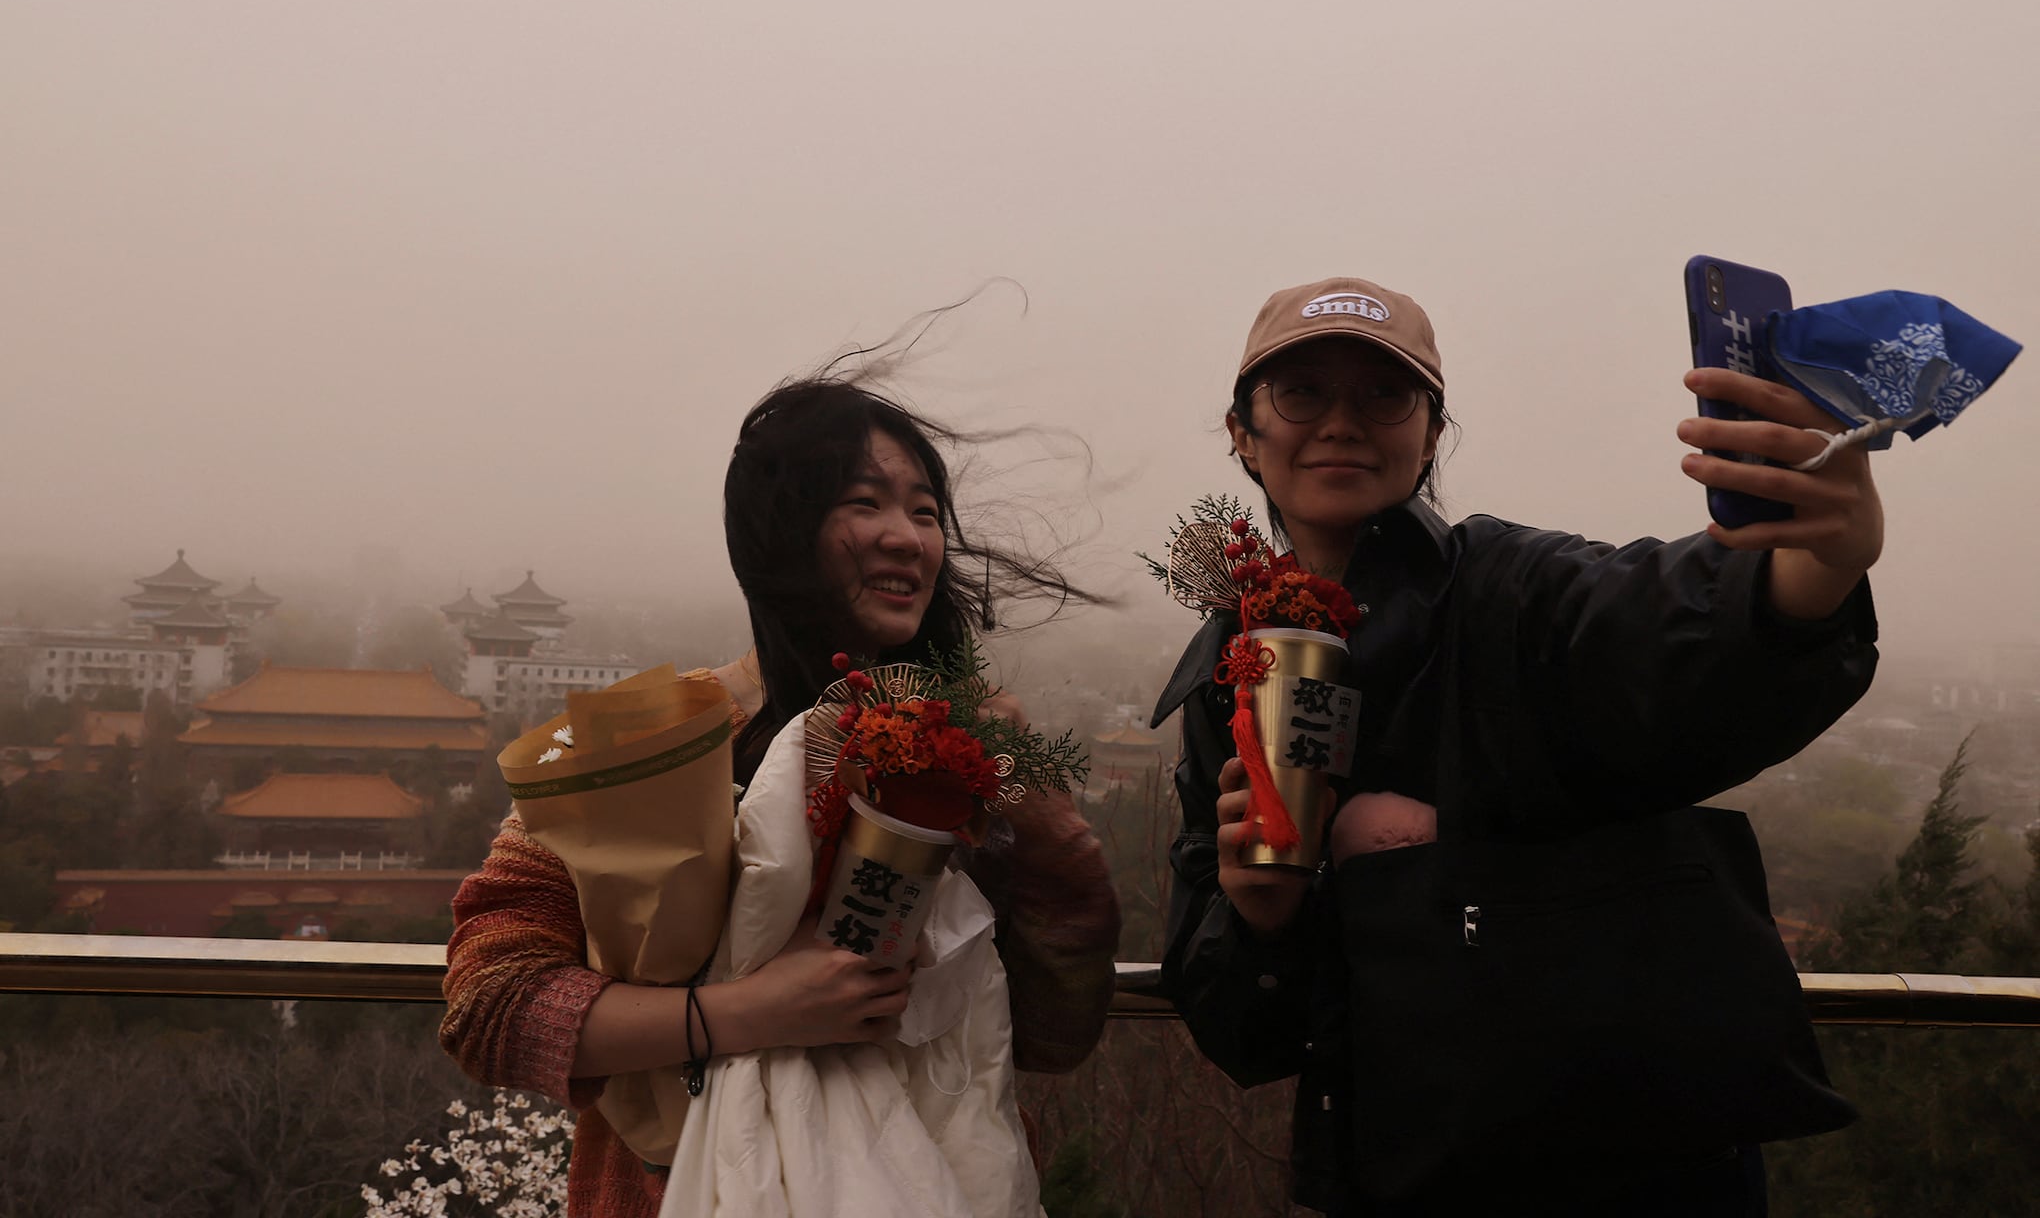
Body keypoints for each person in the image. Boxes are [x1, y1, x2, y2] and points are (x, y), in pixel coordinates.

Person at [1156, 277, 1881, 1216]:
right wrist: (1258, 919)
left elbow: (1660, 623)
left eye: (1386, 395)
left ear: (1430, 432)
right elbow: (1240, 1033)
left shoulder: (1512, 591)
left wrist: (1815, 562)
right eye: (1302, 394)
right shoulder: (1231, 672)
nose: (1343, 422)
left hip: (1631, 1167)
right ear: (1242, 433)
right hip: (1400, 1166)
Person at [442, 368, 1121, 1218]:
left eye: (924, 511)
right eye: (865, 502)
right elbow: (490, 1004)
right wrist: (749, 1012)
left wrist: (1046, 833)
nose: (907, 538)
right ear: (779, 531)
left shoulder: (968, 752)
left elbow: (1057, 1035)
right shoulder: (662, 741)